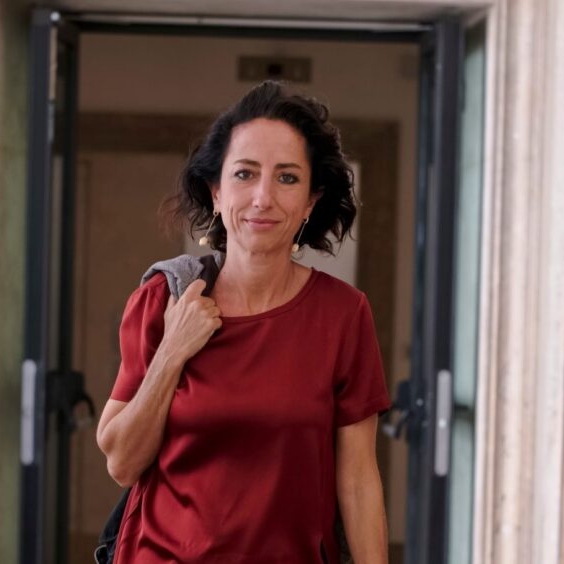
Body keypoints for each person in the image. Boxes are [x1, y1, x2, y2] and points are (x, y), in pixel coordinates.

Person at [96, 80, 391, 564]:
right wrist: (172, 351)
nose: (262, 197)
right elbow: (122, 463)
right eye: (245, 174)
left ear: (310, 202)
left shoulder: (343, 314)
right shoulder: (163, 300)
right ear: (216, 192)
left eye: (287, 178)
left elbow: (358, 480)